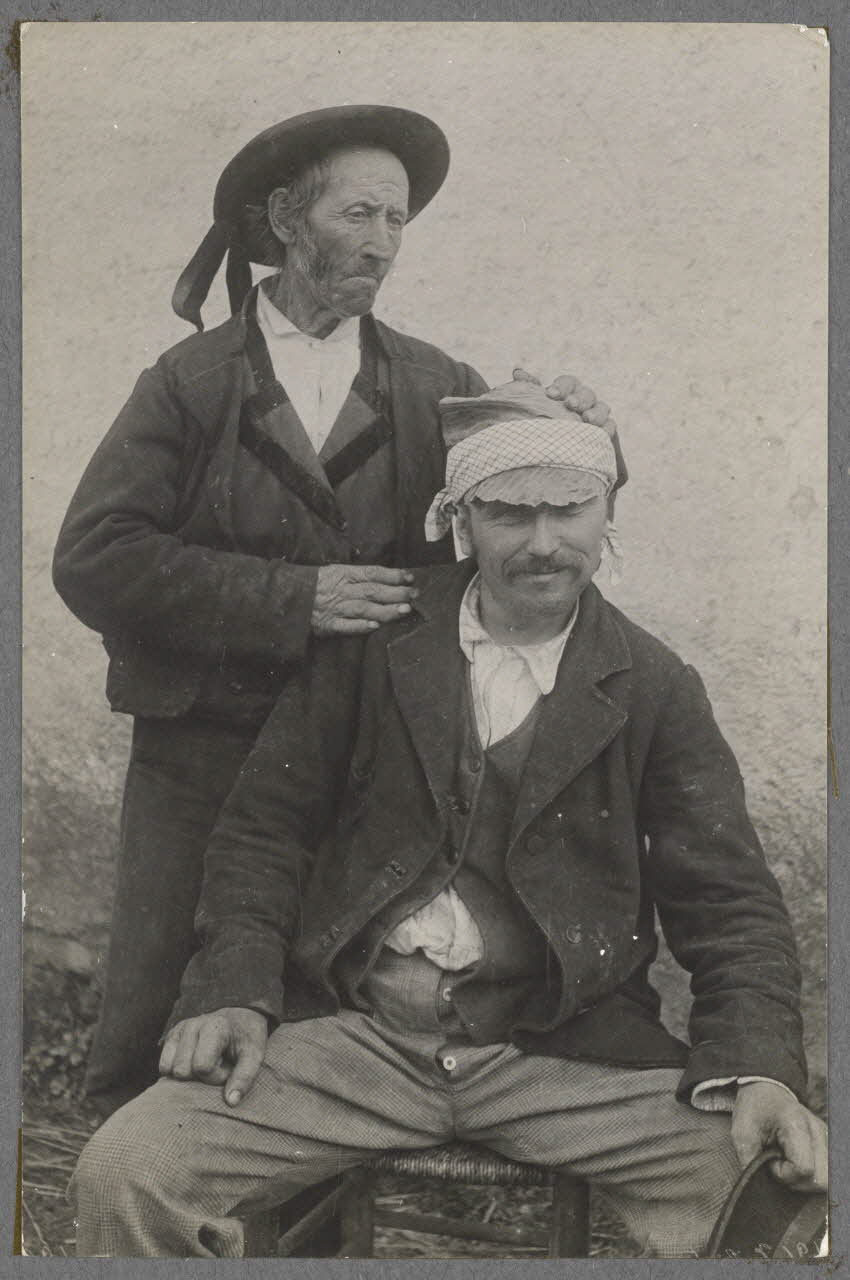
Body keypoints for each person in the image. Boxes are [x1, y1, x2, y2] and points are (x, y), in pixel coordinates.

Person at [70, 381, 826, 1258]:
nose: (543, 545)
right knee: (126, 1169)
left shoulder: (656, 688)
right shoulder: (372, 646)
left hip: (563, 1063)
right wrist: (235, 989)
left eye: (569, 511)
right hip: (355, 1043)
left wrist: (762, 1066)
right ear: (462, 521)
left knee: (789, 1195)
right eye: (509, 515)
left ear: (607, 510)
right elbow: (262, 832)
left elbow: (729, 902)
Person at [52, 105, 624, 1111]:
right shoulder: (191, 383)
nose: (381, 243)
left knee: (311, 1029)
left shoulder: (433, 384)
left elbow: (527, 513)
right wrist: (292, 596)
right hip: (198, 753)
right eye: (359, 212)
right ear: (284, 216)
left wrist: (585, 433)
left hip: (358, 760)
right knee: (154, 1022)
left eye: (397, 220)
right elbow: (95, 557)